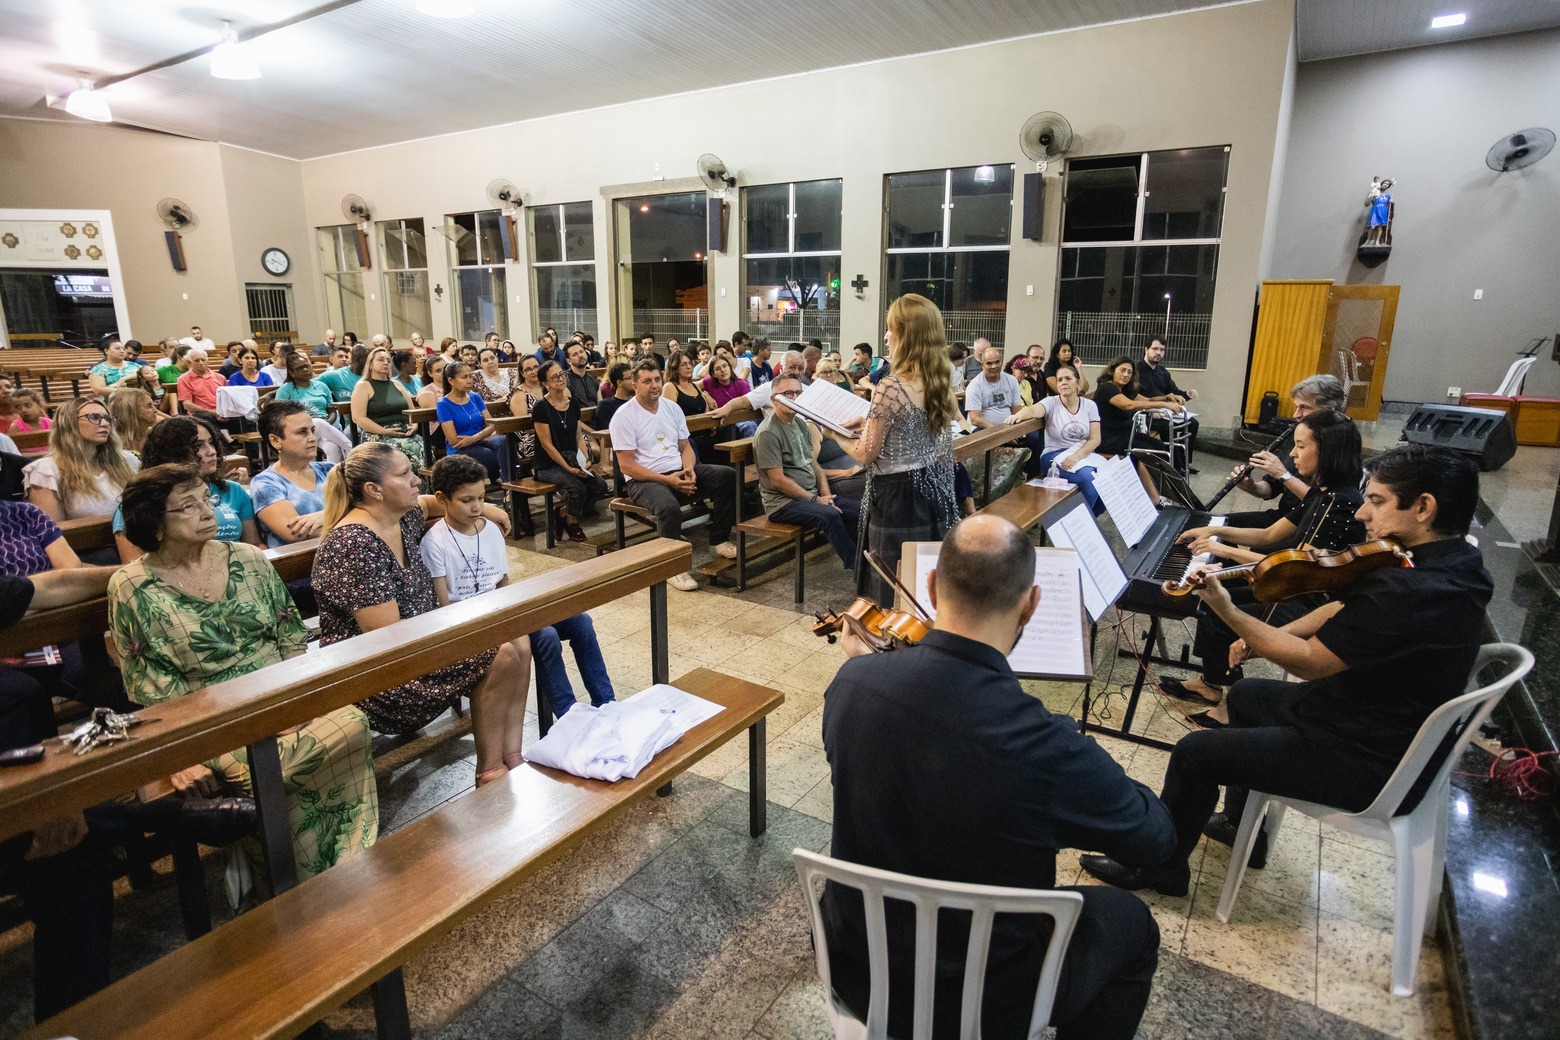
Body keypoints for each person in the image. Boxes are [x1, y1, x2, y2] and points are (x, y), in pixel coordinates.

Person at [1082, 443, 1493, 894]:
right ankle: (1241, 827)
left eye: (1376, 502)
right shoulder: (1457, 563)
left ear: (1423, 508)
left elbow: (1312, 663)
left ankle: (1160, 869)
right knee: (1245, 694)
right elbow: (1341, 605)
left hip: (1367, 758)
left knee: (1194, 754)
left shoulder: (1410, 592)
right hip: (1379, 721)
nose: (1361, 515)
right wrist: (1265, 641)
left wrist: (1228, 611)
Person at [822, 514, 1172, 1040]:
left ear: (934, 588)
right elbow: (1156, 840)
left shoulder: (852, 682)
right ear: (1031, 604)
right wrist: (1084, 756)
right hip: (982, 1001)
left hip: (855, 967)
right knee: (1131, 923)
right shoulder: (1046, 747)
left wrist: (876, 670)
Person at [108, 463, 378, 882]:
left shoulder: (249, 559)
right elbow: (150, 686)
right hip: (209, 716)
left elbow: (291, 638)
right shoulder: (132, 585)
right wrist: (184, 755)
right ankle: (294, 881)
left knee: (352, 721)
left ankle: (350, 867)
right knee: (275, 763)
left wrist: (295, 701)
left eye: (207, 499)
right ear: (153, 524)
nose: (206, 511)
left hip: (279, 693)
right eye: (187, 506)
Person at [312, 443, 529, 786]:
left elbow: (432, 501)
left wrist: (485, 506)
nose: (416, 481)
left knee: (520, 640)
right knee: (500, 652)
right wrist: (459, 635)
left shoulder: (402, 517)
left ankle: (511, 755)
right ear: (373, 490)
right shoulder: (354, 544)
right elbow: (388, 640)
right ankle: (491, 770)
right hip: (379, 674)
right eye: (404, 474)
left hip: (420, 644)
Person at [1161, 410, 1367, 725]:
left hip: (1308, 601)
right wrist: (1215, 531)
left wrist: (1221, 548)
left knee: (1218, 612)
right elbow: (1270, 535)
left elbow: (1296, 568)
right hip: (1296, 586)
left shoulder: (1339, 503)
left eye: (1301, 446)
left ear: (1327, 451)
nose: (1293, 454)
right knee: (1213, 596)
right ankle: (1213, 683)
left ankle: (1230, 704)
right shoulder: (1322, 493)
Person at [822, 294, 958, 603]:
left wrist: (834, 433)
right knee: (923, 581)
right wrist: (869, 419)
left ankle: (892, 644)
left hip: (896, 496)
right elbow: (915, 431)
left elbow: (866, 453)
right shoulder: (938, 379)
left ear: (907, 335)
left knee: (893, 585)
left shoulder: (891, 386)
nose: (885, 336)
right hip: (929, 488)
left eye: (890, 328)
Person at [610, 359, 738, 592]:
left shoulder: (672, 408)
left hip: (677, 470)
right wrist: (668, 481)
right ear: (635, 385)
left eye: (657, 379)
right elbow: (626, 466)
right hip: (643, 480)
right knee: (668, 507)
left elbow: (685, 447)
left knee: (727, 476)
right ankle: (672, 568)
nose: (654, 385)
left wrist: (688, 470)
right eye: (647, 381)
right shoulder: (624, 416)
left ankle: (719, 539)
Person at [113, 415, 262, 562]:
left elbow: (254, 544)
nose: (212, 451)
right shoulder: (141, 500)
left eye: (211, 443)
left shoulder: (233, 490)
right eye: (198, 446)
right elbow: (134, 565)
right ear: (171, 452)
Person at [753, 375, 860, 570]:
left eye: (798, 393)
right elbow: (777, 481)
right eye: (788, 393)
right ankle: (857, 567)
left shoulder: (800, 424)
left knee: (859, 511)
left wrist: (826, 495)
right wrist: (814, 500)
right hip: (782, 504)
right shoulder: (768, 433)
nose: (794, 398)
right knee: (830, 515)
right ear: (774, 399)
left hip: (810, 496)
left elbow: (814, 465)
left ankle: (868, 562)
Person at [1223, 374, 1349, 529]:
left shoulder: (1341, 445)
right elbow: (1271, 487)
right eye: (1296, 407)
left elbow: (1323, 505)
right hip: (1286, 516)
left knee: (1259, 548)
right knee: (1221, 525)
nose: (1296, 415)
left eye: (1304, 407)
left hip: (1313, 523)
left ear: (1329, 410)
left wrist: (1283, 474)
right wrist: (1251, 487)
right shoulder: (1297, 434)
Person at [1004, 366, 1104, 513]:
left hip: (1081, 455)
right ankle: (1077, 523)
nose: (1064, 382)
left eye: (1068, 379)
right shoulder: (1051, 402)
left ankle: (1088, 521)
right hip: (1054, 456)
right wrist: (1019, 415)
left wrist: (1076, 457)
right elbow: (1033, 410)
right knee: (1090, 479)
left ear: (1077, 382)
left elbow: (1095, 439)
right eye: (1060, 380)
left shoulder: (1089, 406)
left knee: (1108, 479)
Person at [24, 397, 140, 521]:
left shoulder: (128, 460)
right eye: (94, 417)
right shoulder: (45, 471)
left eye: (107, 419)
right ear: (69, 422)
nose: (105, 423)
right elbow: (53, 532)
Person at [532, 361, 606, 542]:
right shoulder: (541, 407)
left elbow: (578, 437)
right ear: (545, 383)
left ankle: (563, 512)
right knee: (577, 488)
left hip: (572, 459)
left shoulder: (572, 404)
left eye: (561, 374)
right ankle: (572, 521)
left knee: (600, 486)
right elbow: (547, 445)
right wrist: (568, 468)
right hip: (548, 464)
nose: (560, 379)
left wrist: (586, 460)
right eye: (554, 377)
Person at [1093, 355, 1181, 499]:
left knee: (1159, 445)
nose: (1126, 375)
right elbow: (1129, 405)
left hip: (1125, 434)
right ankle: (1151, 497)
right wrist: (1164, 405)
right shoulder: (1107, 388)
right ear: (1112, 370)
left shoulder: (1124, 390)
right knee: (1146, 452)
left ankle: (1157, 491)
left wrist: (1167, 397)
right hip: (1108, 438)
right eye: (1122, 370)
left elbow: (1148, 400)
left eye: (1129, 372)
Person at [251, 401, 334, 549]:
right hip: (300, 564)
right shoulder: (266, 482)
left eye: (312, 430)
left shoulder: (330, 470)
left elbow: (375, 509)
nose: (312, 438)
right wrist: (345, 514)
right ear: (275, 440)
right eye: (302, 432)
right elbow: (295, 532)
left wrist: (323, 516)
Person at [966, 345, 1044, 479]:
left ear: (1002, 361)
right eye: (989, 363)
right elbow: (975, 419)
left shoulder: (1011, 380)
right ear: (982, 364)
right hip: (984, 429)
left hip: (1008, 426)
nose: (994, 366)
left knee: (1035, 437)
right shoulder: (975, 385)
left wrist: (1016, 430)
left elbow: (1016, 410)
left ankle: (1031, 479)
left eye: (997, 362)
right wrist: (1002, 433)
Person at [350, 345, 424, 472]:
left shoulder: (397, 384)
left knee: (425, 448)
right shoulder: (364, 385)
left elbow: (412, 412)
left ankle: (423, 488)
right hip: (377, 434)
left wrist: (414, 426)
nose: (386, 363)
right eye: (380, 360)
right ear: (371, 364)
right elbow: (358, 418)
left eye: (388, 360)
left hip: (405, 433)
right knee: (404, 450)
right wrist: (385, 431)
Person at [275, 352, 354, 464]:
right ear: (292, 373)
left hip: (323, 429)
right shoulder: (285, 390)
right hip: (299, 431)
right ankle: (351, 448)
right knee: (315, 421)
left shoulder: (321, 386)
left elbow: (331, 410)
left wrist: (327, 422)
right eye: (300, 368)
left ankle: (333, 478)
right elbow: (280, 416)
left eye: (307, 366)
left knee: (333, 448)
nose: (306, 370)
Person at [437, 362, 510, 482]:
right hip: (460, 451)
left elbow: (491, 424)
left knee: (507, 442)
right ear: (451, 380)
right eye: (464, 377)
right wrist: (483, 437)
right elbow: (454, 441)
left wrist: (476, 438)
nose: (470, 381)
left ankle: (507, 485)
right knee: (501, 456)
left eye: (470, 376)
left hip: (480, 441)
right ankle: (509, 487)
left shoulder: (475, 397)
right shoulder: (443, 404)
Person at [1136, 336, 1199, 471]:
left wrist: (1187, 394)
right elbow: (1134, 397)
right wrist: (1152, 409)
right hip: (1147, 414)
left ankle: (1183, 462)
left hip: (1164, 412)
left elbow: (1174, 392)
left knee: (1193, 423)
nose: (1158, 352)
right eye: (1155, 349)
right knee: (1167, 426)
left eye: (1162, 350)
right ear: (1146, 350)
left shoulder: (1162, 372)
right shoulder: (1137, 371)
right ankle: (1174, 465)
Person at [661, 349, 718, 463]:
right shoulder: (670, 387)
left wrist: (706, 395)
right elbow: (667, 417)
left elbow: (705, 412)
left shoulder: (695, 386)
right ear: (675, 368)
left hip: (704, 434)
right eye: (683, 364)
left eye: (690, 364)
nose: (689, 367)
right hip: (687, 438)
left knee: (730, 431)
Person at [506, 355, 546, 469]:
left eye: (536, 367)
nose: (533, 371)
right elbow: (524, 424)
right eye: (528, 369)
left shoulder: (547, 386)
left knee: (580, 440)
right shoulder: (519, 393)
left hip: (551, 432)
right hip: (530, 439)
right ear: (522, 373)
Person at [104, 387, 163, 456]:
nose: (155, 410)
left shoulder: (157, 436)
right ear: (131, 411)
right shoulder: (111, 442)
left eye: (153, 405)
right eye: (149, 406)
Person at [174, 347, 226, 422]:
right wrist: (211, 411)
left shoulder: (220, 377)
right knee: (206, 418)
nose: (200, 362)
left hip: (221, 412)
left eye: (203, 360)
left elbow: (226, 399)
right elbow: (187, 404)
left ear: (208, 361)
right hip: (201, 414)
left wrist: (223, 412)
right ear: (190, 363)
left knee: (242, 417)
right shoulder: (183, 379)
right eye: (196, 360)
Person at [591, 361, 635, 432]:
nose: (634, 381)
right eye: (630, 378)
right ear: (619, 382)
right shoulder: (606, 405)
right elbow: (604, 433)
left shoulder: (638, 401)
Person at [564, 341, 599, 407]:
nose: (580, 355)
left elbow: (599, 404)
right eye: (575, 354)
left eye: (581, 352)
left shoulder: (593, 381)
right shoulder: (565, 381)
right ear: (569, 361)